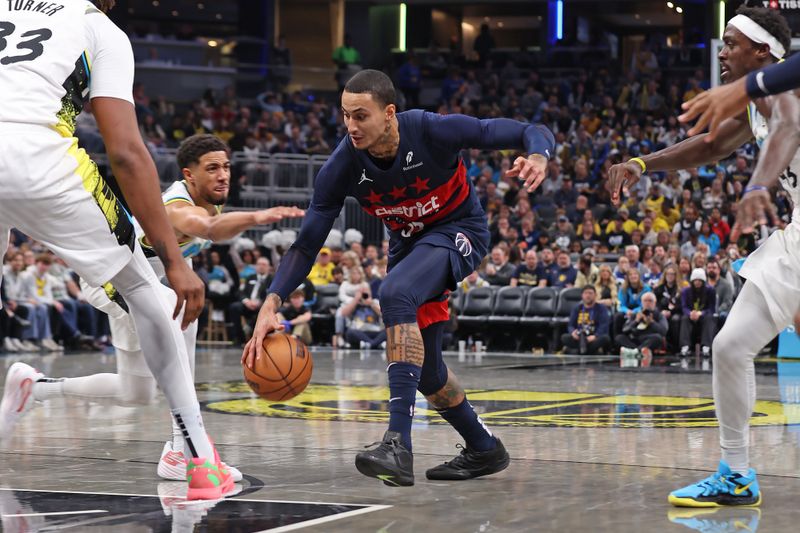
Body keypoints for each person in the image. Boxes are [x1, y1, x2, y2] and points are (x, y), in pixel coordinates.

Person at [243, 69, 554, 486]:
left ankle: (397, 444)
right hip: (410, 247)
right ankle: (484, 447)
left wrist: (537, 156)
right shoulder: (341, 166)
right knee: (427, 373)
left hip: (459, 230)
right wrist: (270, 302)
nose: (351, 126)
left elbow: (531, 129)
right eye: (345, 116)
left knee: (394, 293)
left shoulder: (431, 130)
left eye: (361, 116)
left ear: (389, 113)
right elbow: (304, 246)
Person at [0, 0, 233, 501]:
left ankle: (35, 389)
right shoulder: (97, 27)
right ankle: (197, 459)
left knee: (137, 388)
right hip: (39, 161)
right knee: (153, 296)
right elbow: (126, 153)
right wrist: (176, 261)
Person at [18, 134, 303, 483]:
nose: (223, 175)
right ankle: (187, 452)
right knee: (183, 308)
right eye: (212, 168)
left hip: (139, 285)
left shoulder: (210, 200)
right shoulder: (177, 207)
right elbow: (208, 229)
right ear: (189, 175)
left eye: (227, 167)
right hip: (111, 279)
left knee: (134, 391)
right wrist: (260, 216)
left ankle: (38, 387)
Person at [611, 6, 796, 508]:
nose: (722, 52)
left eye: (732, 43)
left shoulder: (785, 89)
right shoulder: (758, 102)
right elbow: (712, 144)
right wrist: (643, 162)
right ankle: (736, 474)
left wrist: (758, 184)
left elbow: (790, 127)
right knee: (731, 347)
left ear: (762, 52)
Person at [615, 292, 668, 367]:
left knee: (658, 338)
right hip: (635, 338)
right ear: (641, 302)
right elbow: (625, 330)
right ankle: (638, 351)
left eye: (650, 301)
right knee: (619, 337)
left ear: (655, 303)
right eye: (645, 301)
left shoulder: (659, 315)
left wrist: (652, 323)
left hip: (648, 339)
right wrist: (636, 321)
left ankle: (633, 352)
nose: (647, 303)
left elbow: (663, 331)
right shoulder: (636, 314)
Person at [560, 286, 610, 355]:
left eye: (590, 293)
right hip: (579, 336)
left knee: (605, 338)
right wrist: (573, 333)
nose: (588, 295)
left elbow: (603, 325)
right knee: (564, 337)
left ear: (595, 295)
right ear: (582, 295)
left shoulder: (601, 308)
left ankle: (577, 350)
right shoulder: (577, 308)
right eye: (585, 293)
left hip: (593, 337)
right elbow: (570, 325)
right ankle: (588, 350)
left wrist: (595, 336)